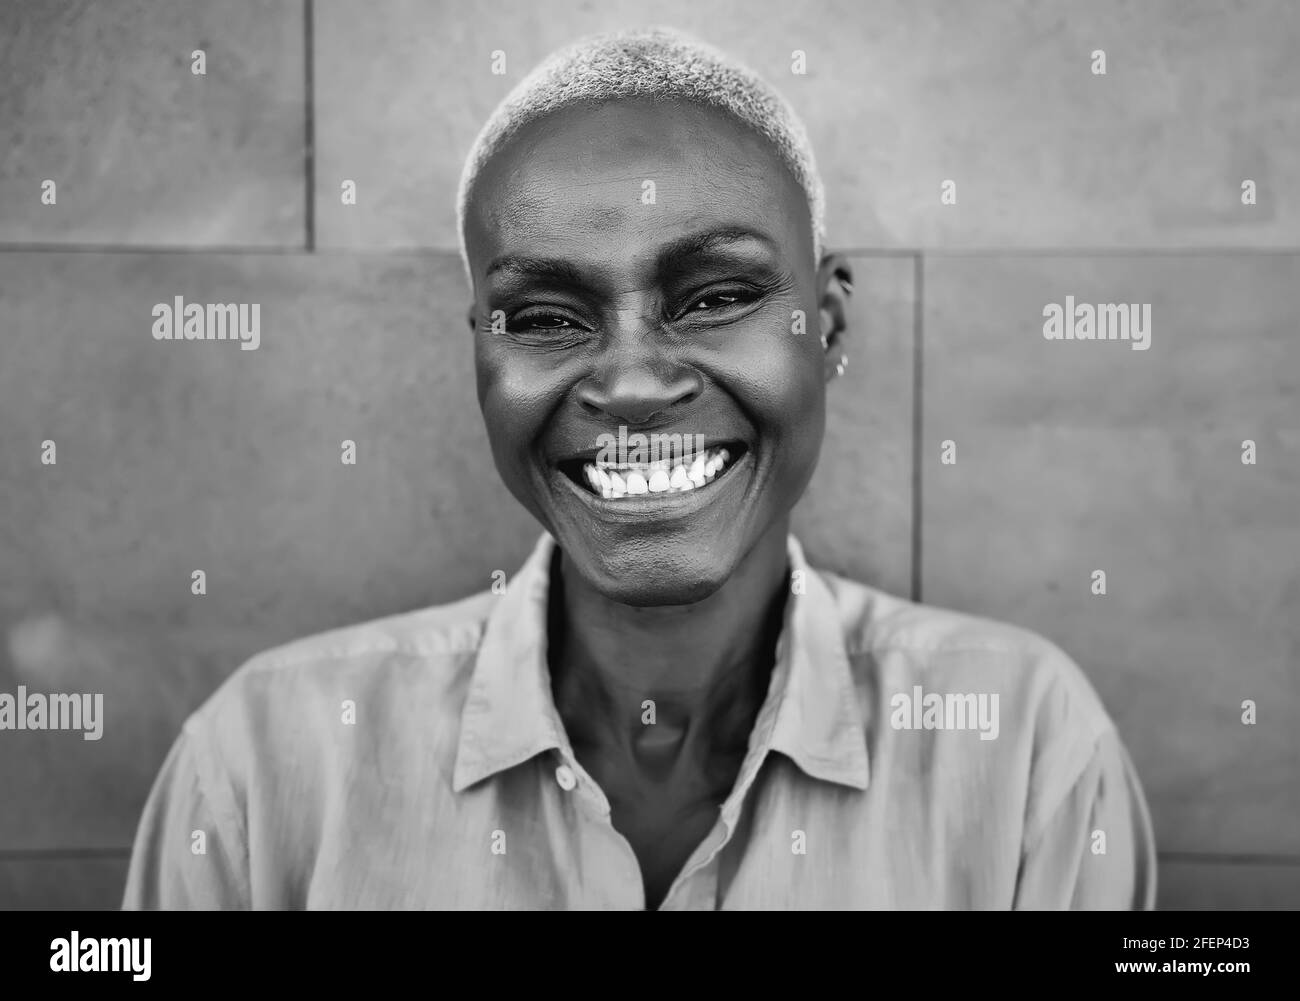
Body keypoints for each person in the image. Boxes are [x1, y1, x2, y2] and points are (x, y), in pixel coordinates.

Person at [123, 26, 1156, 910]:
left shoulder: (1025, 752)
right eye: (544, 317)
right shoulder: (263, 771)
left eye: (714, 296)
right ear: (482, 353)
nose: (628, 381)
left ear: (827, 324)